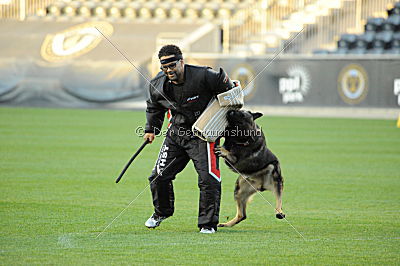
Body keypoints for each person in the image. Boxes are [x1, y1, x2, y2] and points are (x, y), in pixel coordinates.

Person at [143, 44, 234, 234]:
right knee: (158, 176)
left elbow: (229, 92)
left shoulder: (204, 75)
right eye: (165, 68)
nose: (169, 71)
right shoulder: (157, 84)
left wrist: (232, 94)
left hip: (204, 136)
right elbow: (154, 107)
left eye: (172, 66)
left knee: (208, 179)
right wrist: (151, 129)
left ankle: (208, 224)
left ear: (181, 62)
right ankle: (161, 212)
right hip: (176, 135)